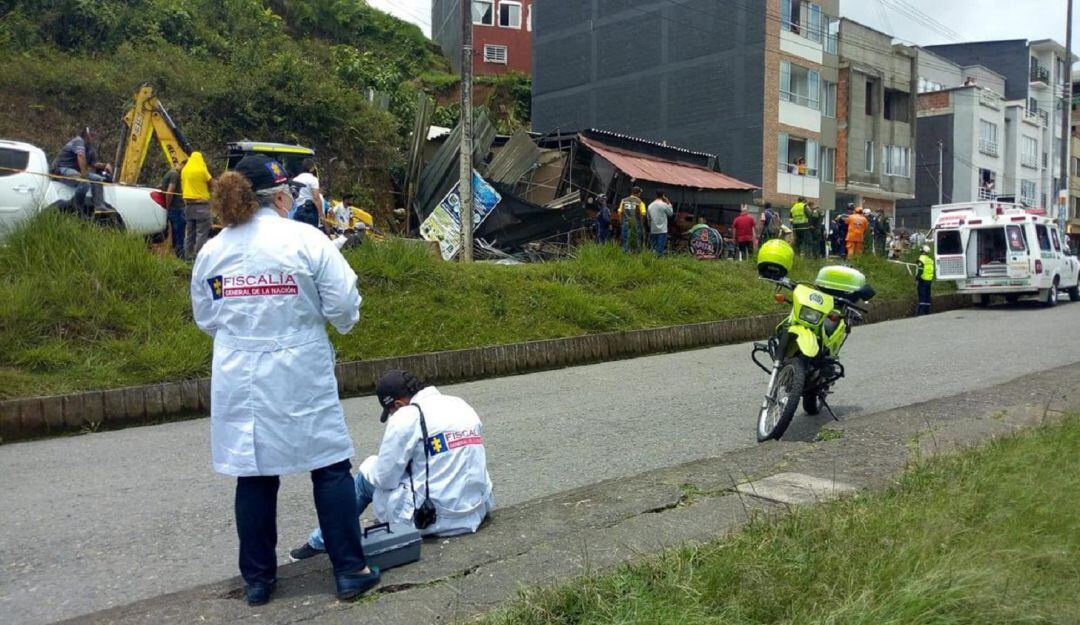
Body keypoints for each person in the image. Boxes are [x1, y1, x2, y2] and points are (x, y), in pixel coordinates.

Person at [190, 154, 379, 606]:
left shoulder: (213, 250)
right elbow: (343, 305)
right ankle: (350, 572)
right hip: (301, 370)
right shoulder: (305, 239)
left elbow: (206, 316)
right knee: (330, 466)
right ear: (279, 195)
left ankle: (258, 583)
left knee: (254, 474)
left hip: (241, 374)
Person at [291, 370, 495, 561]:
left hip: (435, 519)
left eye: (390, 412)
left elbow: (385, 479)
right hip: (475, 511)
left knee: (365, 477)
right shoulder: (459, 404)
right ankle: (322, 539)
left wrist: (369, 466)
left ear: (397, 405)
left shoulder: (407, 415)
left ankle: (320, 541)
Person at [51, 127, 111, 215]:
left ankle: (99, 206)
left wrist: (105, 165)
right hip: (61, 168)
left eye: (95, 136)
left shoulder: (89, 149)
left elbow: (93, 164)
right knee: (84, 182)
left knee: (98, 179)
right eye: (92, 135)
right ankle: (77, 208)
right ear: (86, 135)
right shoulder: (78, 141)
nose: (94, 138)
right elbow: (80, 156)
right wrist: (84, 174)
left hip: (75, 171)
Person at [181, 151, 213, 259]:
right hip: (201, 206)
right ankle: (199, 258)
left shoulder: (184, 170)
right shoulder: (202, 170)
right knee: (201, 233)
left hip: (188, 206)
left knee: (189, 234)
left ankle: (187, 258)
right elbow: (211, 183)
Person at [160, 166, 184, 258]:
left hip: (172, 208)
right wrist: (167, 206)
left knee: (174, 234)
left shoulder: (169, 173)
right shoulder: (175, 175)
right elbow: (170, 191)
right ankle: (181, 257)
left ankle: (177, 255)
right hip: (176, 208)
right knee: (179, 235)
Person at [291, 158, 323, 229]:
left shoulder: (295, 179)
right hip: (309, 211)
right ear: (311, 168)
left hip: (297, 210)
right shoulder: (313, 179)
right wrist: (321, 215)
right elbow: (316, 198)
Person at [617, 186, 647, 253]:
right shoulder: (640, 202)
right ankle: (636, 253)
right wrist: (641, 222)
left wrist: (620, 221)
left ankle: (625, 252)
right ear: (638, 193)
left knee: (625, 237)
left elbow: (619, 212)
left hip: (625, 222)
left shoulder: (623, 200)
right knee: (637, 238)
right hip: (636, 223)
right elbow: (643, 213)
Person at [647, 190, 674, 255]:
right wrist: (668, 203)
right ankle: (658, 260)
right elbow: (670, 213)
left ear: (656, 195)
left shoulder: (650, 205)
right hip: (662, 230)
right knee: (660, 248)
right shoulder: (664, 205)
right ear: (663, 195)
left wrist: (650, 226)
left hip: (653, 230)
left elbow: (648, 218)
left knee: (653, 247)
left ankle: (652, 260)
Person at [916, 244, 934, 315]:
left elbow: (920, 269)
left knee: (922, 295)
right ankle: (927, 311)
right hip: (929, 280)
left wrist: (917, 278)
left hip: (922, 280)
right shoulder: (930, 260)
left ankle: (921, 312)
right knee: (927, 295)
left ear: (922, 251)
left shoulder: (921, 259)